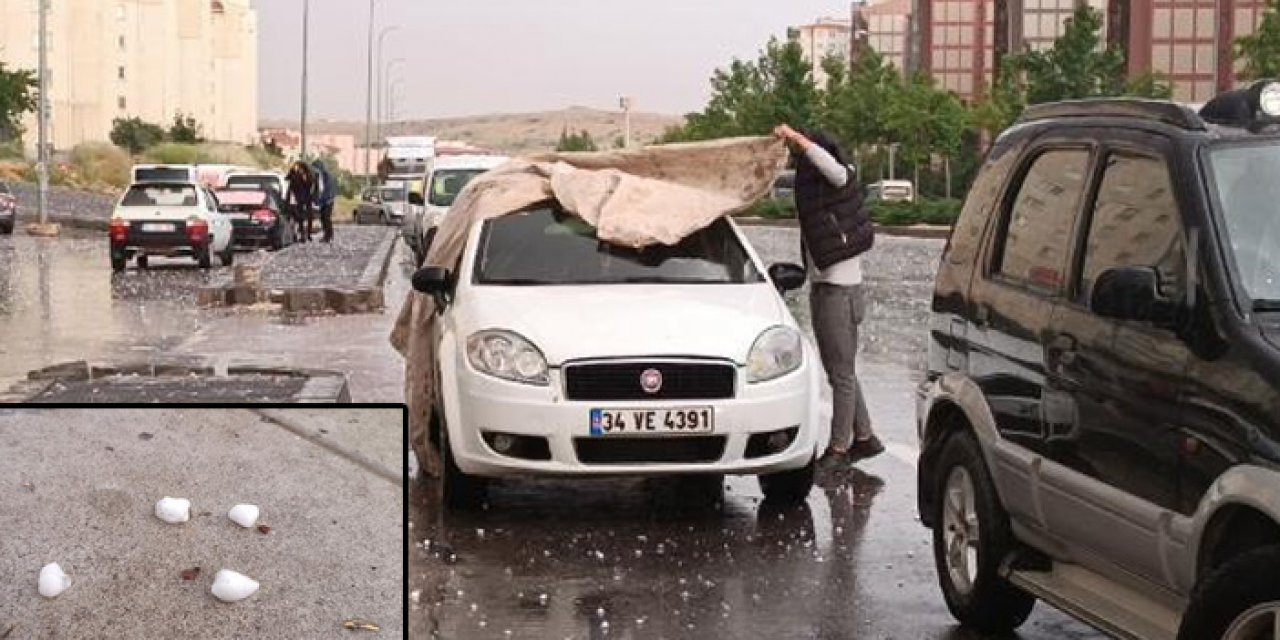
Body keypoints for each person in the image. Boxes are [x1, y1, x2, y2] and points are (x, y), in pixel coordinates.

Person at [774, 123, 884, 469]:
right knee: (841, 369)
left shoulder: (838, 180)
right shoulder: (821, 193)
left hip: (840, 292)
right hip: (827, 288)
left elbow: (833, 170)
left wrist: (799, 140)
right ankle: (865, 437)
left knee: (841, 375)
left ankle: (838, 449)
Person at [285, 161, 315, 242]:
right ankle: (302, 235)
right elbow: (287, 178)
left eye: (299, 168)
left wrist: (305, 179)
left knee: (309, 217)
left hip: (307, 198)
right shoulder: (295, 175)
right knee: (300, 217)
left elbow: (311, 185)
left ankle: (308, 234)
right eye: (297, 168)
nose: (298, 169)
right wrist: (292, 170)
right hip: (299, 199)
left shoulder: (308, 175)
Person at [311, 159, 337, 243]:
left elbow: (329, 189)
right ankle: (327, 234)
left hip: (328, 200)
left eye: (315, 168)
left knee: (326, 217)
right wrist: (315, 200)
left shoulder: (327, 176)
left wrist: (326, 199)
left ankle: (328, 235)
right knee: (322, 218)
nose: (314, 170)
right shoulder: (317, 176)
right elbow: (316, 189)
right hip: (322, 201)